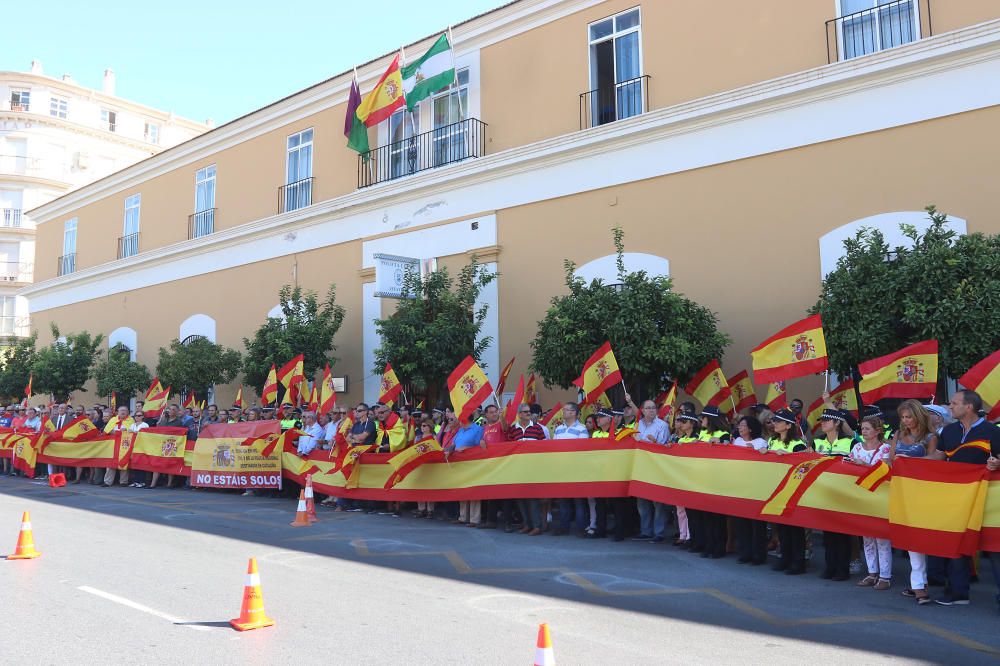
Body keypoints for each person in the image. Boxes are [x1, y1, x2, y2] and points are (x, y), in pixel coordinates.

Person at [929, 390, 1000, 606]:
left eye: (954, 403)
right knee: (957, 541)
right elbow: (938, 457)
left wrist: (997, 464)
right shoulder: (949, 431)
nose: (950, 407)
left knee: (995, 546)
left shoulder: (993, 432)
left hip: (988, 497)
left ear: (968, 407)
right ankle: (958, 593)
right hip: (957, 497)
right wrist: (910, 461)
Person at [888, 399, 939, 603]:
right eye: (902, 417)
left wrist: (911, 462)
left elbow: (935, 461)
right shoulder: (898, 435)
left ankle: (919, 584)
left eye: (909, 416)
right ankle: (919, 585)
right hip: (900, 490)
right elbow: (891, 459)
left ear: (918, 416)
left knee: (919, 538)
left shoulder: (930, 437)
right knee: (910, 538)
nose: (905, 420)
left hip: (921, 491)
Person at [847, 415, 893, 590]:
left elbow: (885, 471)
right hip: (861, 496)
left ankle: (885, 576)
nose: (863, 431)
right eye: (862, 428)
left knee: (881, 538)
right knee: (866, 537)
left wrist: (864, 464)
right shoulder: (857, 447)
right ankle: (872, 572)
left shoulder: (886, 449)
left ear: (878, 431)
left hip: (879, 497)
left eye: (867, 428)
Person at [814, 408, 856, 581]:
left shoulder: (850, 442)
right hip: (823, 491)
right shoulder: (817, 442)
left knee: (842, 532)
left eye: (827, 420)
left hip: (843, 492)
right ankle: (830, 566)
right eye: (822, 420)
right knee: (828, 533)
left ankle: (842, 569)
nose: (823, 423)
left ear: (837, 423)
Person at [767, 408, 809, 574]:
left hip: (792, 489)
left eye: (779, 421)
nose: (775, 423)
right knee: (781, 527)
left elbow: (801, 467)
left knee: (794, 527)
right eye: (775, 420)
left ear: (788, 426)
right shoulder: (771, 441)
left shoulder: (797, 445)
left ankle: (798, 561)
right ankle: (784, 557)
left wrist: (786, 456)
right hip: (775, 486)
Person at [732, 415, 769, 565]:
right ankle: (745, 552)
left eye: (742, 425)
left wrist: (755, 451)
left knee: (757, 524)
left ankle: (758, 554)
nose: (739, 428)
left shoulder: (761, 442)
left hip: (756, 487)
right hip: (739, 485)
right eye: (739, 425)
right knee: (741, 522)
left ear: (751, 428)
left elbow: (766, 459)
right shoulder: (737, 441)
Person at [633, 398, 670, 543]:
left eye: (653, 408)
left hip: (656, 466)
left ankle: (659, 532)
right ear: (642, 410)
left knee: (658, 501)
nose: (651, 410)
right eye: (648, 408)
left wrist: (654, 443)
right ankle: (645, 531)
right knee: (642, 500)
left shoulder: (662, 425)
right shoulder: (638, 424)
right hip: (640, 466)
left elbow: (664, 446)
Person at [697, 406, 731, 559]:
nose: (701, 420)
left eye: (703, 417)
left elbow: (727, 444)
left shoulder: (724, 433)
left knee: (717, 517)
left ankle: (719, 547)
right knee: (705, 516)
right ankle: (708, 545)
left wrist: (720, 441)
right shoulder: (702, 433)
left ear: (709, 419)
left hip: (718, 480)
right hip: (703, 478)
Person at [552, 403, 589, 537]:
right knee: (563, 500)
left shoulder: (581, 429)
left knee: (578, 501)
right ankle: (563, 527)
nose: (564, 412)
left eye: (567, 410)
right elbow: (554, 448)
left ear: (574, 413)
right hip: (561, 469)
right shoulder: (558, 429)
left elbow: (582, 449)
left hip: (576, 469)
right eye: (564, 410)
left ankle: (581, 528)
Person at [509, 404, 546, 535]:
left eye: (529, 412)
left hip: (533, 469)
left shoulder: (537, 428)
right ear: (519, 414)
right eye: (525, 412)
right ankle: (526, 524)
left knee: (533, 498)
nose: (528, 414)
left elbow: (544, 448)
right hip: (518, 469)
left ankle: (536, 526)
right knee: (520, 498)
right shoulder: (513, 429)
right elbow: (509, 447)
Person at [443, 414, 485, 527]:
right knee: (463, 488)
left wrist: (466, 449)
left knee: (473, 490)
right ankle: (463, 517)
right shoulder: (460, 430)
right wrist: (449, 451)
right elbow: (454, 444)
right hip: (461, 464)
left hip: (473, 463)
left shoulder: (478, 429)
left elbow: (480, 446)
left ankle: (474, 519)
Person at [669, 412, 701, 547]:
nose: (681, 424)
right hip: (680, 476)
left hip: (692, 478)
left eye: (684, 421)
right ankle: (682, 535)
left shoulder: (698, 438)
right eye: (680, 421)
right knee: (680, 509)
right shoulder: (678, 440)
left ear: (692, 424)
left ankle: (690, 536)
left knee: (690, 510)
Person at [150, 404, 185, 489]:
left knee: (170, 463)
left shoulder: (179, 422)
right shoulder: (163, 420)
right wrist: (158, 425)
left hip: (171, 444)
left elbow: (179, 433)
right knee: (157, 463)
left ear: (176, 412)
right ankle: (153, 483)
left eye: (173, 409)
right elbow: (159, 431)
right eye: (169, 409)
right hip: (161, 444)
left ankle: (169, 483)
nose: (170, 411)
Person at [412, 418, 438, 519]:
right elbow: (413, 450)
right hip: (420, 464)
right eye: (421, 426)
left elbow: (437, 449)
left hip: (430, 465)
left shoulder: (433, 437)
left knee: (429, 487)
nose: (422, 428)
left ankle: (430, 510)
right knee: (420, 486)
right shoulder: (418, 437)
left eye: (424, 426)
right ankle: (421, 509)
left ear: (429, 427)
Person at [102, 406, 135, 487]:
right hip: (112, 445)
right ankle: (107, 481)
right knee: (110, 463)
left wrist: (116, 432)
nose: (123, 412)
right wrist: (120, 432)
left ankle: (123, 481)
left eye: (125, 410)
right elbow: (107, 431)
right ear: (118, 412)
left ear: (128, 412)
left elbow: (130, 432)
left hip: (124, 445)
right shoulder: (113, 419)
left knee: (124, 461)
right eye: (121, 410)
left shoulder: (131, 420)